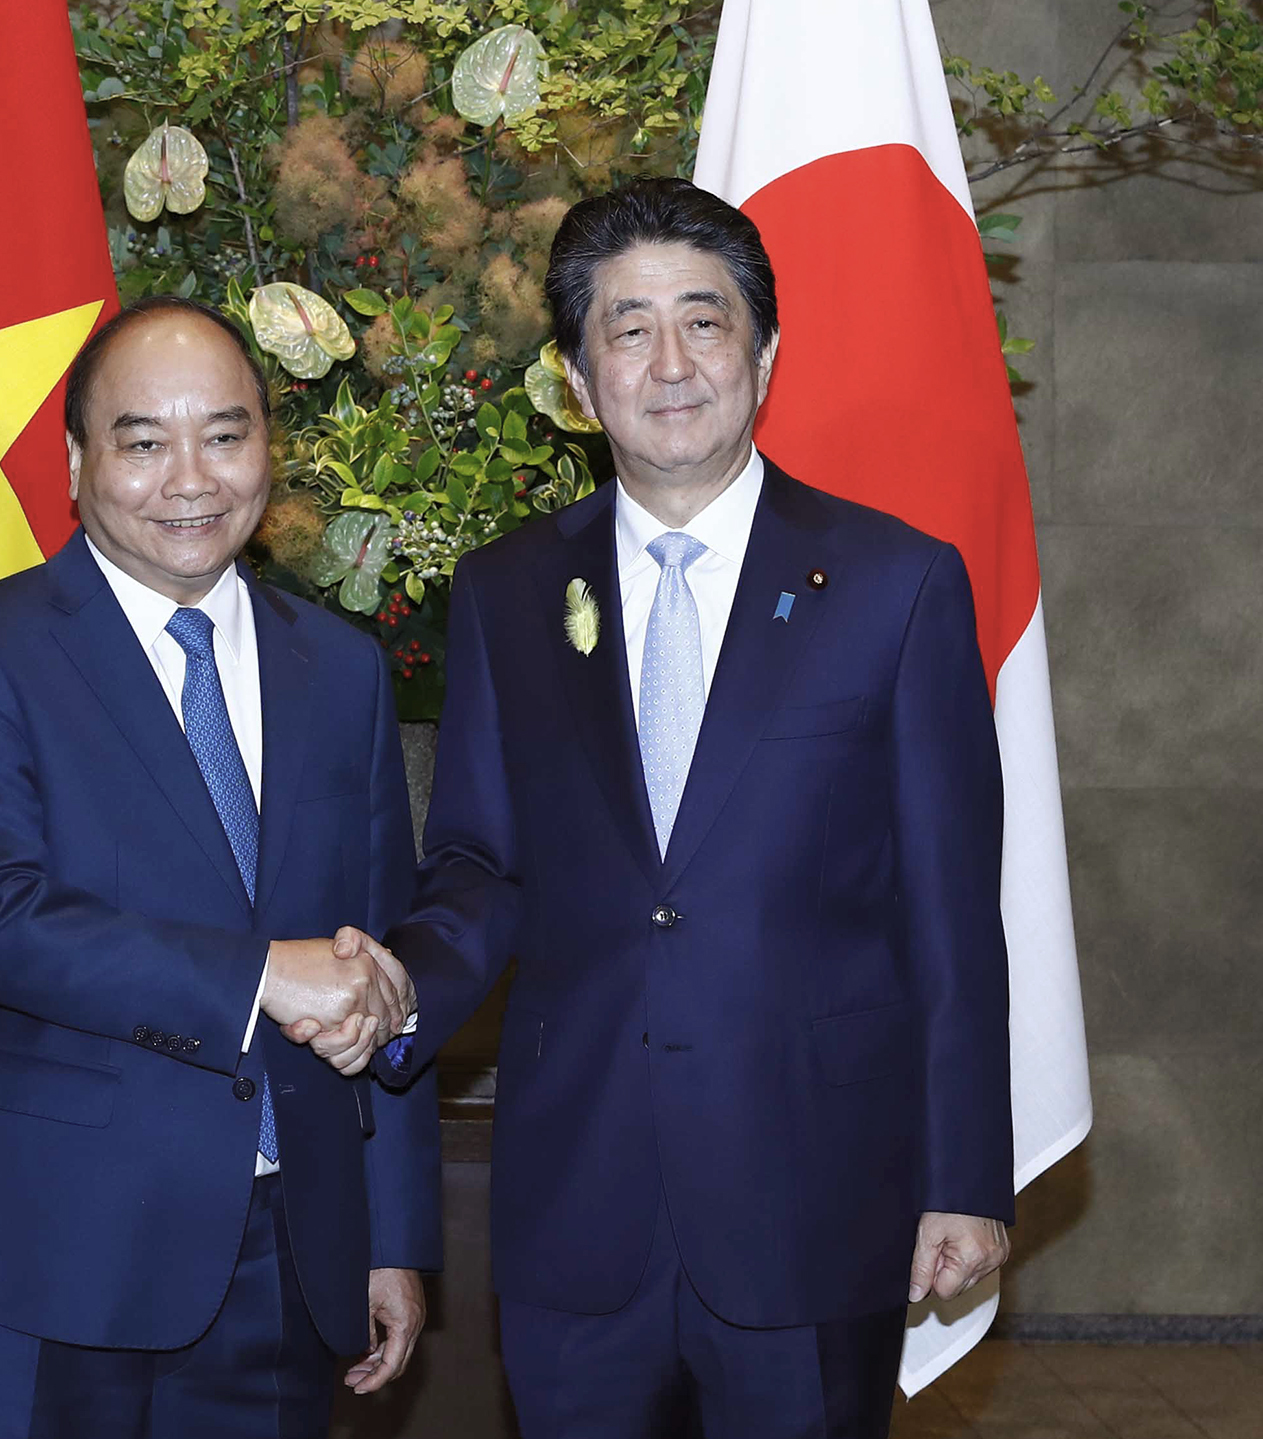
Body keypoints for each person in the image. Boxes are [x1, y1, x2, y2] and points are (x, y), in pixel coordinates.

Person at [341, 178, 1015, 1437]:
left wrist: (965, 1172)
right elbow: (478, 859)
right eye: (627, 327)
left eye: (703, 323)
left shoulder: (896, 583)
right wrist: (398, 988)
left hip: (812, 1194)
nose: (668, 363)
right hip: (575, 1200)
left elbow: (950, 911)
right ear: (576, 377)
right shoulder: (506, 590)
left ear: (764, 351)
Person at [0, 296, 440, 1439]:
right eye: (142, 442)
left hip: (288, 1251)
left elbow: (377, 960)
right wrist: (258, 974)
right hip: (46, 1243)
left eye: (224, 434)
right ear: (75, 461)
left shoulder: (339, 669)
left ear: (267, 448)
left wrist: (390, 1233)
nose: (190, 478)